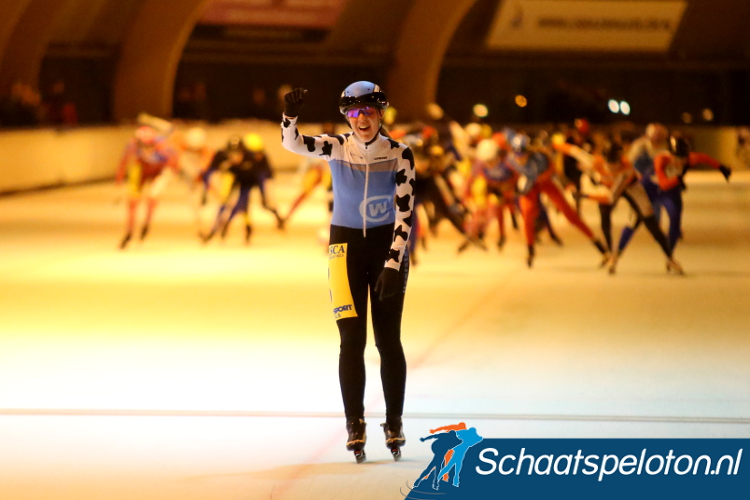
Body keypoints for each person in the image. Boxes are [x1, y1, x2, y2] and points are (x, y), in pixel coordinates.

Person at [281, 82, 414, 463]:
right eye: (353, 113)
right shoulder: (336, 146)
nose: (361, 119)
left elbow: (405, 214)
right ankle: (354, 423)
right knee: (350, 342)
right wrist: (289, 116)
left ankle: (394, 421)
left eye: (368, 112)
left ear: (381, 114)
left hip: (386, 249)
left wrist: (392, 263)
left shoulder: (400, 153)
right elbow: (293, 143)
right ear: (346, 117)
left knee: (388, 342)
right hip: (344, 251)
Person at [556, 140, 682, 274]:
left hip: (630, 187)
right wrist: (554, 145)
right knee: (604, 216)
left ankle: (670, 258)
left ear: (620, 160)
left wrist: (584, 196)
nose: (611, 167)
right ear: (603, 158)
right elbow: (574, 150)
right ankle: (611, 254)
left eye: (615, 163)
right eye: (608, 162)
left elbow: (611, 198)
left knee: (650, 221)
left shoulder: (626, 169)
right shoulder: (595, 161)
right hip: (609, 186)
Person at [507, 133, 608, 268]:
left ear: (530, 152)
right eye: (517, 156)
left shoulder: (541, 158)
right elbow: (510, 176)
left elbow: (556, 172)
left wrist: (567, 185)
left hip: (545, 181)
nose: (520, 159)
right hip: (530, 185)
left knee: (569, 214)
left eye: (523, 155)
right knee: (527, 214)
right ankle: (530, 248)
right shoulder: (510, 160)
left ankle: (598, 245)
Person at [116, 125, 178, 249]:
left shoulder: (162, 145)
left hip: (160, 170)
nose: (146, 148)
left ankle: (147, 222)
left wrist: (171, 176)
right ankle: (129, 231)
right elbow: (124, 160)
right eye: (143, 145)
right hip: (143, 169)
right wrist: (120, 176)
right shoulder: (133, 144)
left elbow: (174, 160)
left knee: (152, 197)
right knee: (132, 202)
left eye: (149, 145)